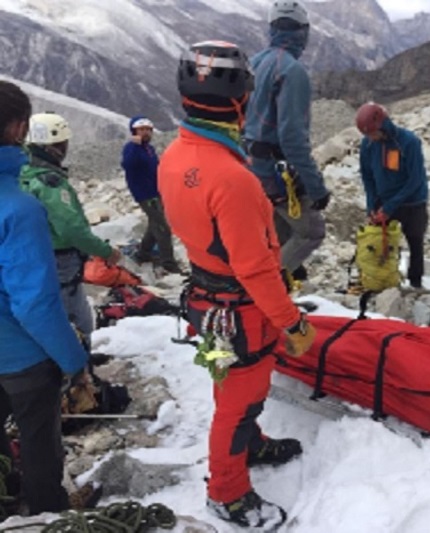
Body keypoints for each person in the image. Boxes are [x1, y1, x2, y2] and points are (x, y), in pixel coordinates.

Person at [158, 40, 317, 530]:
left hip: (208, 302)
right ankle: (227, 493)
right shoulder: (232, 178)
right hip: (240, 311)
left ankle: (251, 444)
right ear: (241, 99)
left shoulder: (175, 155)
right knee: (239, 401)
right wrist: (291, 322)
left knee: (228, 386)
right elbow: (255, 268)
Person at [0, 81, 88, 514]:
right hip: (19, 355)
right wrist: (73, 359)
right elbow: (34, 303)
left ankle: (5, 500)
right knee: (39, 441)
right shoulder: (18, 208)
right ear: (18, 128)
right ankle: (46, 512)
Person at [244, 0, 331, 286]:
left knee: (277, 231)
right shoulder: (292, 71)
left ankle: (271, 291)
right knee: (311, 232)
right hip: (277, 172)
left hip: (250, 165)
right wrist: (316, 187)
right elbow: (292, 138)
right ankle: (265, 287)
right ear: (303, 31)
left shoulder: (254, 63)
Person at [20, 112, 122, 339]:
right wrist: (105, 251)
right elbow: (71, 229)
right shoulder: (50, 183)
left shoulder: (21, 173)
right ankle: (79, 358)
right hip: (59, 259)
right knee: (78, 318)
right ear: (52, 147)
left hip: (30, 255)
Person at [356, 102, 428, 288]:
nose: (371, 138)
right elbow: (367, 176)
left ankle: (416, 282)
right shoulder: (368, 144)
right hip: (384, 200)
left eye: (373, 133)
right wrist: (372, 204)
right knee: (380, 242)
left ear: (383, 125)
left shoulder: (408, 142)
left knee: (415, 241)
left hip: (412, 201)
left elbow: (415, 179)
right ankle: (383, 279)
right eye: (368, 135)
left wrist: (390, 206)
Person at [120, 116, 181, 273]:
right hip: (145, 194)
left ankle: (143, 253)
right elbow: (127, 164)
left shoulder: (149, 149)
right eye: (142, 129)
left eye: (148, 129)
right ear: (134, 131)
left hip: (156, 191)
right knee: (162, 227)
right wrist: (135, 146)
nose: (146, 132)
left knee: (154, 223)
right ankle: (169, 264)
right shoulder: (131, 148)